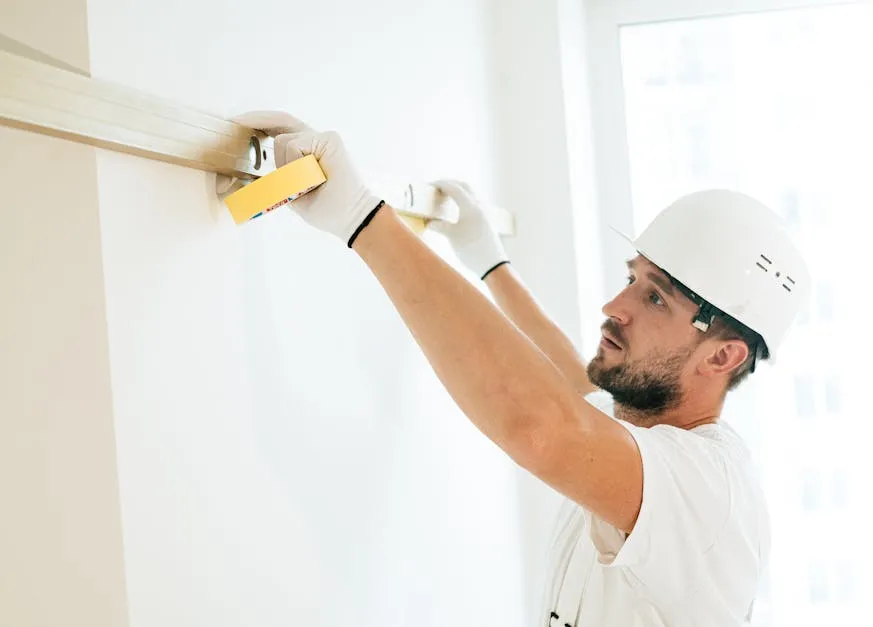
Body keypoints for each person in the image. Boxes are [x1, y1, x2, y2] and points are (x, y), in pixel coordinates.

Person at [232, 112, 812, 626]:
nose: (615, 307)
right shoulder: (638, 440)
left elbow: (545, 424)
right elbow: (568, 382)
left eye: (654, 298)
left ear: (722, 356)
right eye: (631, 279)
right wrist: (489, 261)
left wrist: (362, 218)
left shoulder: (711, 490)